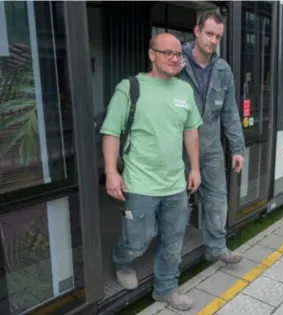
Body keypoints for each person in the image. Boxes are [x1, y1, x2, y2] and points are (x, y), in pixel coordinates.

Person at [100, 33, 202, 311]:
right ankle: (122, 260)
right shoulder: (130, 87)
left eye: (178, 54)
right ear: (152, 54)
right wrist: (111, 172)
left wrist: (194, 168)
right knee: (137, 241)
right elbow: (110, 133)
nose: (174, 58)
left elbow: (191, 131)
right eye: (167, 52)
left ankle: (166, 289)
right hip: (140, 184)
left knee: (173, 242)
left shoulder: (184, 91)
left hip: (175, 185)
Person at [179, 11, 246, 265]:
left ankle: (216, 248)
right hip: (179, 150)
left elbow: (230, 112)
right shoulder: (178, 63)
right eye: (209, 34)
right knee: (178, 207)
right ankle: (170, 258)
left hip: (211, 149)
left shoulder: (223, 70)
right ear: (197, 31)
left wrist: (237, 148)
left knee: (218, 199)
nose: (213, 40)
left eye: (218, 36)